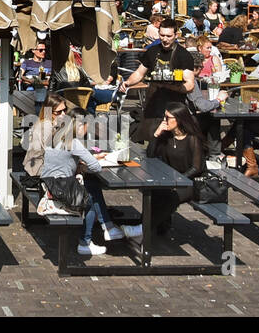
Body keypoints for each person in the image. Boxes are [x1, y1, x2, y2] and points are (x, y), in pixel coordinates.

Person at [41, 109, 125, 255]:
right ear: (80, 125)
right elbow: (96, 167)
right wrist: (86, 167)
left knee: (92, 185)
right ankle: (85, 242)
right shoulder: (74, 143)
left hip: (47, 182)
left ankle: (108, 226)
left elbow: (64, 160)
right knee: (89, 198)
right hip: (59, 187)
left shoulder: (56, 136)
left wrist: (81, 165)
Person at [118, 102, 205, 239]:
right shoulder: (167, 137)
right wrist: (156, 135)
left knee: (171, 196)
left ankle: (142, 229)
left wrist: (179, 179)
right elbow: (150, 155)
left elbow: (197, 167)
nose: (165, 121)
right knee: (155, 190)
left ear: (179, 119)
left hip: (190, 182)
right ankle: (147, 226)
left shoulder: (192, 139)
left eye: (168, 118)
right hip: (170, 179)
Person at [118, 18, 196, 139]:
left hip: (174, 105)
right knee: (150, 138)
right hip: (153, 101)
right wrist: (128, 82)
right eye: (162, 35)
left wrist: (168, 86)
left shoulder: (183, 55)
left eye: (169, 36)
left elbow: (190, 85)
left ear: (176, 35)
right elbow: (139, 73)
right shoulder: (152, 51)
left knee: (170, 140)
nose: (165, 39)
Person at [20, 94, 69, 180]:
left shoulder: (51, 124)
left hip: (36, 168)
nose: (63, 114)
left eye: (65, 110)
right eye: (59, 112)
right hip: (37, 173)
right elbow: (52, 155)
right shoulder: (46, 126)